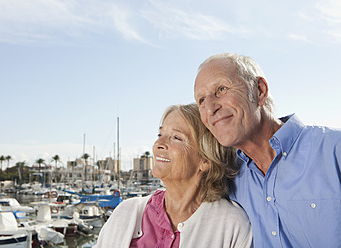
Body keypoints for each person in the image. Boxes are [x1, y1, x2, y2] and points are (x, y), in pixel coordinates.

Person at [194, 53, 341, 247]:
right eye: (201, 100)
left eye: (221, 89)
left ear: (260, 91)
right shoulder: (226, 179)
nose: (210, 108)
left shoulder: (334, 150)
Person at [94, 103, 252, 247]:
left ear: (206, 160)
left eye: (176, 137)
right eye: (159, 135)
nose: (158, 144)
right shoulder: (126, 212)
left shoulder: (232, 225)